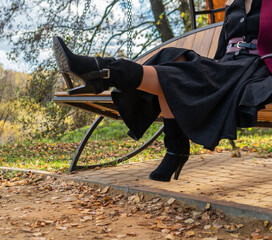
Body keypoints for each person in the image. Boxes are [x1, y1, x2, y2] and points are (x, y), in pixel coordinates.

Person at [53, 0, 272, 182]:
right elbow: (222, 50)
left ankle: (100, 71)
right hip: (226, 66)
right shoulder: (233, 4)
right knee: (171, 58)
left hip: (254, 67)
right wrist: (208, 71)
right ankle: (102, 73)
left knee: (174, 74)